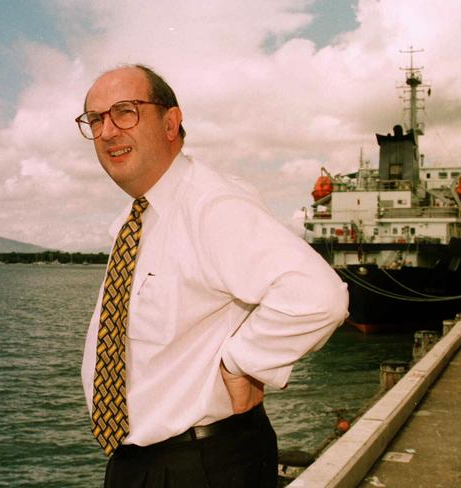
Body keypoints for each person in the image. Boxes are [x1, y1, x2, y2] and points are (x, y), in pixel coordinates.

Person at [79, 64, 348, 487]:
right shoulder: (137, 222)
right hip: (144, 463)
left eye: (125, 111)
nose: (108, 131)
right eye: (96, 119)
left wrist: (242, 362)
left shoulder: (210, 204)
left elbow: (319, 296)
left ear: (171, 122)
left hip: (201, 464)